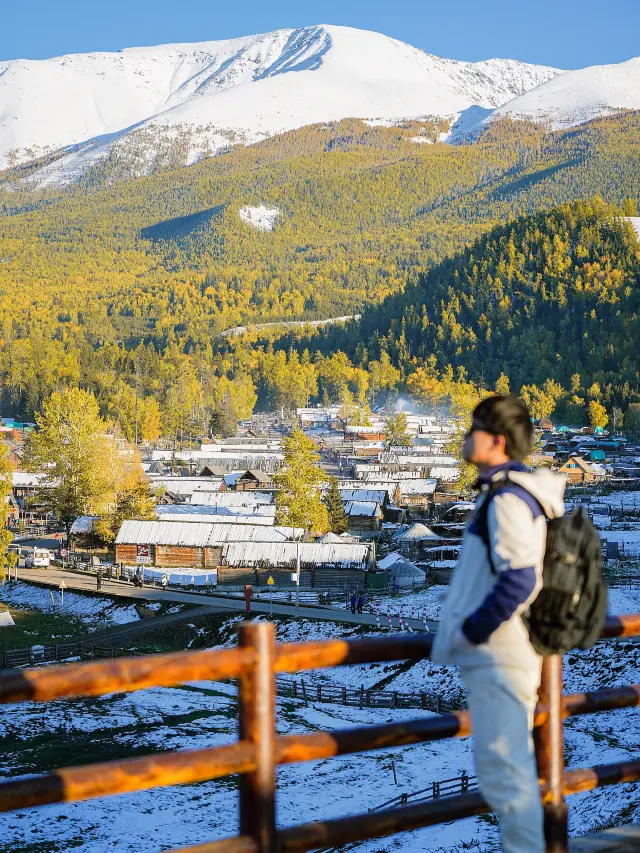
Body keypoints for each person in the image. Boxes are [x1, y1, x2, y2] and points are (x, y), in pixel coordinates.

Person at [432, 395, 566, 853]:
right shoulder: (512, 492)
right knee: (511, 774)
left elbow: (520, 578)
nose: (466, 438)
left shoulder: (507, 498)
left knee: (505, 777)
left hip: (499, 657)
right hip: (506, 655)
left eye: (473, 431)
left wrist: (472, 632)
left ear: (498, 441)